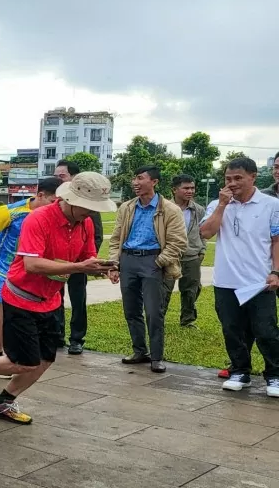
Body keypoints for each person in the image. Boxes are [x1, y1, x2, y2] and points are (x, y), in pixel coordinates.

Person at [0, 172, 116, 424]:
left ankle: (3, 402)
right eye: (88, 208)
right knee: (25, 362)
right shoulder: (39, 219)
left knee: (45, 359)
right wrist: (79, 268)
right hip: (20, 298)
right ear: (70, 199)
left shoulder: (85, 222)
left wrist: (105, 267)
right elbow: (32, 265)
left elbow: (86, 256)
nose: (91, 214)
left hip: (50, 300)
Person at [0, 178, 61, 370]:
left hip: (27, 275)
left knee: (10, 314)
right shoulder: (11, 212)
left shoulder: (52, 217)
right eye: (53, 201)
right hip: (1, 270)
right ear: (40, 195)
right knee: (4, 315)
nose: (57, 206)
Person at [200, 157, 279, 397]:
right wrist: (223, 205)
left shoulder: (271, 205)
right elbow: (205, 232)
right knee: (232, 330)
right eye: (228, 179)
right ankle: (240, 371)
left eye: (238, 178)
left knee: (266, 330)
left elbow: (277, 241)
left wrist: (276, 272)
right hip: (226, 281)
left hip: (260, 282)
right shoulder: (217, 204)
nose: (232, 183)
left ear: (253, 177)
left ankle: (274, 375)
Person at [107, 165, 187, 373]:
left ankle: (157, 357)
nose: (135, 182)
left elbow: (177, 242)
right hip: (128, 260)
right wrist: (114, 264)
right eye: (134, 178)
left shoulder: (169, 209)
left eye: (140, 178)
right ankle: (139, 350)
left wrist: (159, 262)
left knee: (153, 312)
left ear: (154, 182)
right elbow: (116, 238)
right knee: (131, 310)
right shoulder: (127, 207)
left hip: (153, 261)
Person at [52, 160, 103, 353]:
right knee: (55, 298)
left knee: (78, 300)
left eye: (62, 176)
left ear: (74, 179)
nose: (58, 180)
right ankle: (57, 335)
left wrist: (87, 261)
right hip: (56, 263)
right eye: (56, 176)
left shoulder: (88, 207)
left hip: (80, 263)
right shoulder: (58, 203)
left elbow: (95, 236)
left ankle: (77, 339)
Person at [164, 174, 206, 327]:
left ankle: (187, 320)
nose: (190, 191)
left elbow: (203, 232)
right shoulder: (164, 208)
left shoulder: (198, 210)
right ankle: (157, 318)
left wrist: (202, 250)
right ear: (175, 190)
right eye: (186, 188)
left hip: (191, 255)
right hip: (169, 255)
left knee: (191, 290)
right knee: (163, 289)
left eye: (192, 188)